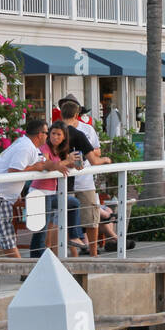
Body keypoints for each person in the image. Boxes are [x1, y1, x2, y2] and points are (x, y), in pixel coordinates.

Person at [0, 120, 69, 258]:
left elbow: (44, 163)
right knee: (7, 238)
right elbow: (14, 171)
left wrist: (58, 166)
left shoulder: (28, 145)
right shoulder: (25, 147)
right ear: (40, 134)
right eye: (47, 133)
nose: (48, 136)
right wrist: (38, 167)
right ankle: (26, 274)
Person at [59, 96, 108, 256]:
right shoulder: (57, 130)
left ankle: (93, 254)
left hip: (85, 180)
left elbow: (96, 150)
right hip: (65, 181)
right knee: (65, 220)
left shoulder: (86, 129)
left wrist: (85, 152)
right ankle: (74, 255)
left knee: (91, 219)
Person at [28, 123, 78, 259]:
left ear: (64, 138)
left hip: (50, 194)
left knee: (73, 203)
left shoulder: (61, 152)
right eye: (53, 133)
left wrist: (75, 163)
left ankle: (75, 236)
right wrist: (66, 161)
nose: (55, 137)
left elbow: (62, 165)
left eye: (59, 134)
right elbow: (48, 166)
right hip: (38, 192)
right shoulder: (44, 148)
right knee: (40, 231)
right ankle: (35, 263)